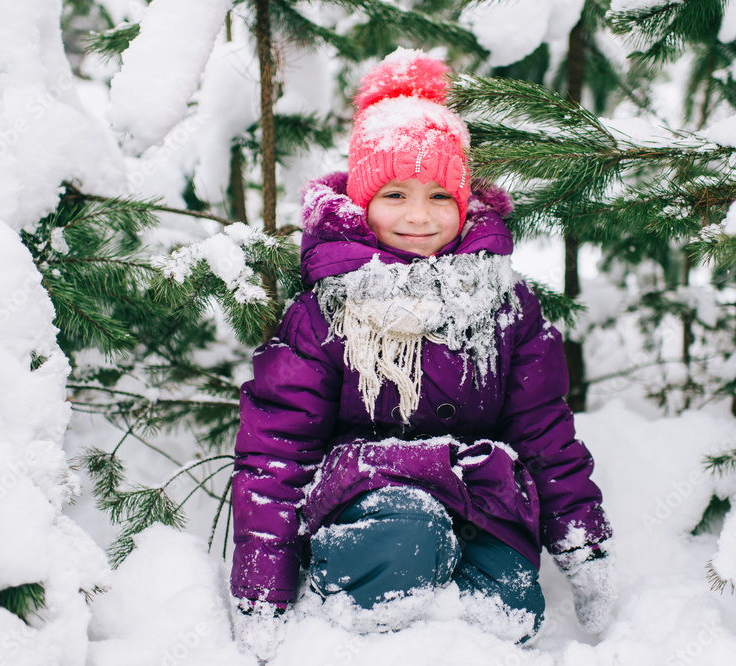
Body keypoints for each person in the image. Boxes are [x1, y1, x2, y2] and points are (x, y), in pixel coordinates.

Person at [229, 48, 615, 657]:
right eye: (395, 194)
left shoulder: (506, 304)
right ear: (363, 203)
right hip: (369, 495)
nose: (418, 216)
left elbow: (545, 431)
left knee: (511, 607)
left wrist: (581, 545)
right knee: (406, 536)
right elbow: (277, 452)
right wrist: (261, 590)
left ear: (465, 205)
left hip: (481, 492)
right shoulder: (325, 310)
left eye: (440, 196)